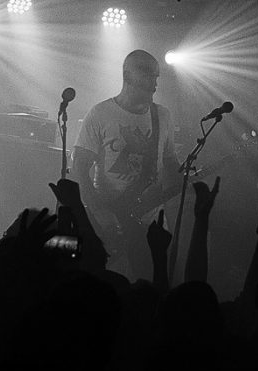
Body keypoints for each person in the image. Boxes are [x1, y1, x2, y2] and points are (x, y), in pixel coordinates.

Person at [71, 49, 179, 278]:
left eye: (157, 77)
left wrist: (188, 185)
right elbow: (79, 168)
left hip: (150, 221)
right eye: (149, 75)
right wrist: (99, 211)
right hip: (110, 220)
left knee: (147, 283)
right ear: (128, 75)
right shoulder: (100, 114)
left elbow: (171, 164)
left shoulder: (163, 116)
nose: (155, 84)